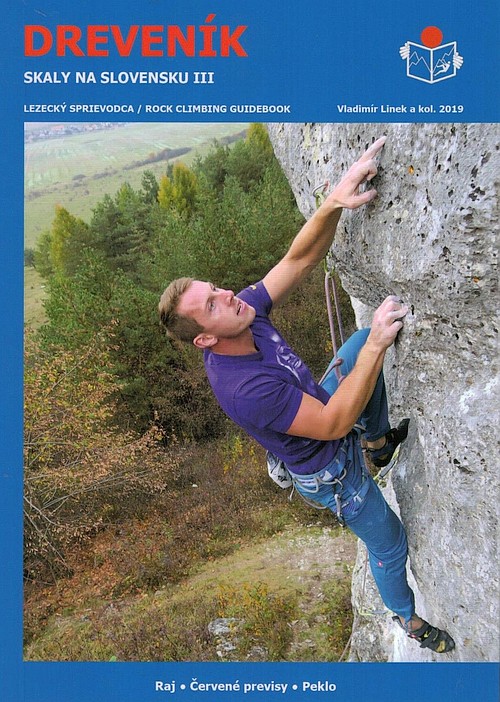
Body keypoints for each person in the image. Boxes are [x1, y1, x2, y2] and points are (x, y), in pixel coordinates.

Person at [158, 137, 455, 654]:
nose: (227, 295)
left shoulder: (242, 314)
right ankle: (408, 620)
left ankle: (378, 443)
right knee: (389, 543)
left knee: (358, 348)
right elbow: (334, 422)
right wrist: (377, 345)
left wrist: (334, 201)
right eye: (211, 304)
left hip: (322, 409)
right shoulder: (244, 389)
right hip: (330, 471)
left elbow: (299, 259)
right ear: (204, 338)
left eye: (215, 288)